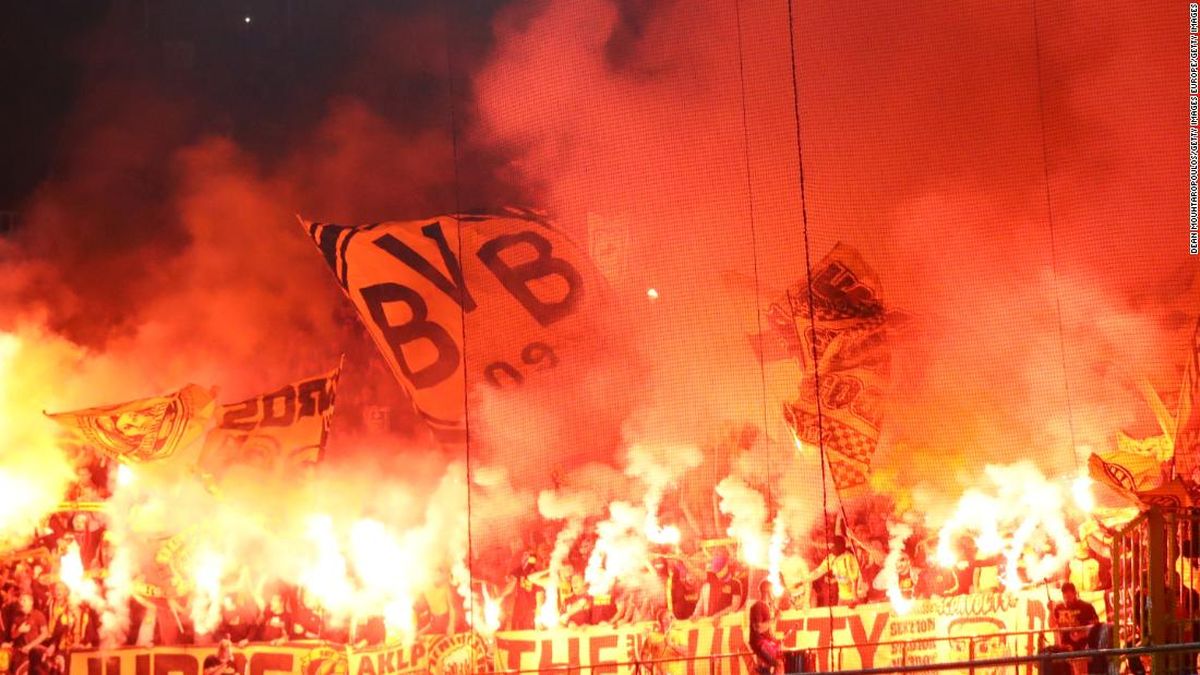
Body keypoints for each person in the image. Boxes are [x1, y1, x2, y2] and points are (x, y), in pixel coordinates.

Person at [804, 537, 863, 607]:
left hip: (853, 598)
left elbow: (854, 580)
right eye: (830, 546)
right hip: (842, 597)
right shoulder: (831, 558)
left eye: (833, 546)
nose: (830, 548)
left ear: (839, 546)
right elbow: (818, 572)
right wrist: (804, 579)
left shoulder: (849, 558)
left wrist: (854, 599)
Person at [690, 551, 745, 620]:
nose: (717, 574)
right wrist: (695, 614)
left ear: (725, 567)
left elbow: (735, 606)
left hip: (727, 622)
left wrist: (719, 615)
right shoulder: (710, 582)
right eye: (715, 572)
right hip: (710, 622)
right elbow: (701, 604)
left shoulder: (735, 583)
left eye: (719, 571)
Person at [747, 579, 783, 675]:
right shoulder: (758, 606)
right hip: (759, 643)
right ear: (768, 592)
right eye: (773, 591)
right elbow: (758, 628)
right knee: (778, 664)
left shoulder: (767, 607)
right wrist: (775, 618)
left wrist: (774, 640)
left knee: (767, 668)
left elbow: (766, 631)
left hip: (764, 642)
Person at [9, 592, 49, 675]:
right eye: (20, 600)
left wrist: (30, 646)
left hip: (35, 652)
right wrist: (20, 630)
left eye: (24, 600)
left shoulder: (38, 615)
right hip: (20, 652)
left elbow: (45, 634)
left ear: (31, 602)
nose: (21, 602)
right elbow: (12, 635)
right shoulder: (17, 616)